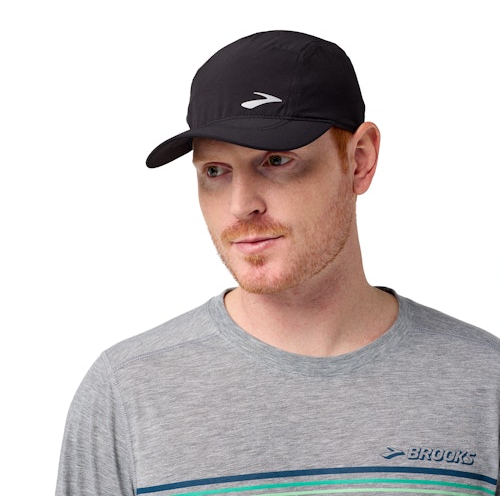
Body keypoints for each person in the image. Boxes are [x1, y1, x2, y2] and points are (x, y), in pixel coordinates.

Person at [56, 30, 500, 496]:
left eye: (276, 161)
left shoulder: (484, 383)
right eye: (215, 171)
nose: (240, 205)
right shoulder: (127, 391)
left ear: (359, 161)